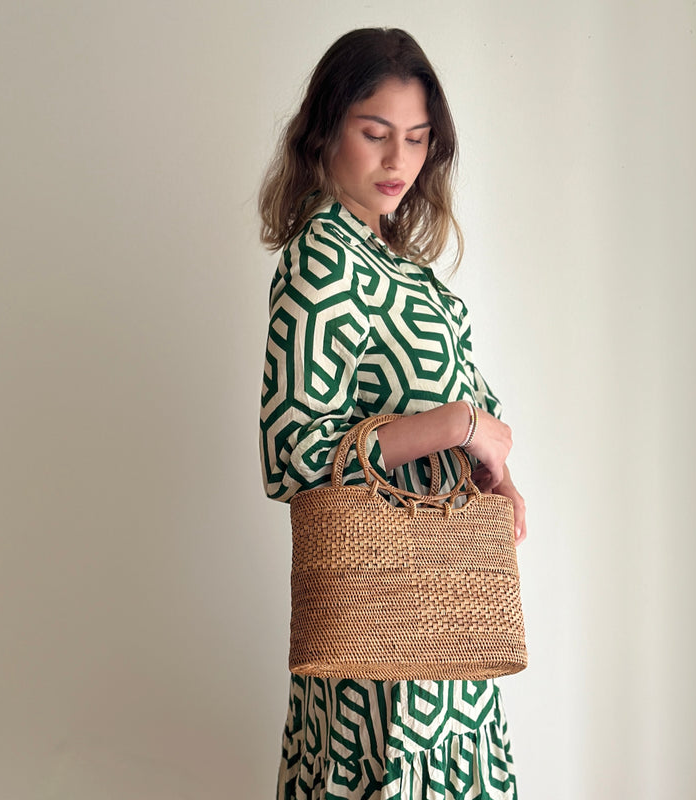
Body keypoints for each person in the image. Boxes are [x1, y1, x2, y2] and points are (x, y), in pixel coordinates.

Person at [258, 27, 526, 800]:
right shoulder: (322, 256)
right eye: (375, 132)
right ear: (325, 132)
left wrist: (498, 474)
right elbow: (293, 455)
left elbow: (470, 406)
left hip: (446, 608)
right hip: (378, 623)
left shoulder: (405, 266)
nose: (397, 159)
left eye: (416, 138)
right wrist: (458, 426)